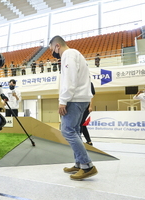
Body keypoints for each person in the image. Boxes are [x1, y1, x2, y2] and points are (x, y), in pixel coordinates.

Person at [49, 35, 98, 180]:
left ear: (57, 45)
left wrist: (63, 101)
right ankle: (79, 164)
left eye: (52, 49)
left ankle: (87, 165)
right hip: (82, 98)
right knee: (75, 131)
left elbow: (69, 80)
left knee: (67, 131)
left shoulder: (68, 55)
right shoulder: (76, 54)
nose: (53, 52)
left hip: (74, 99)